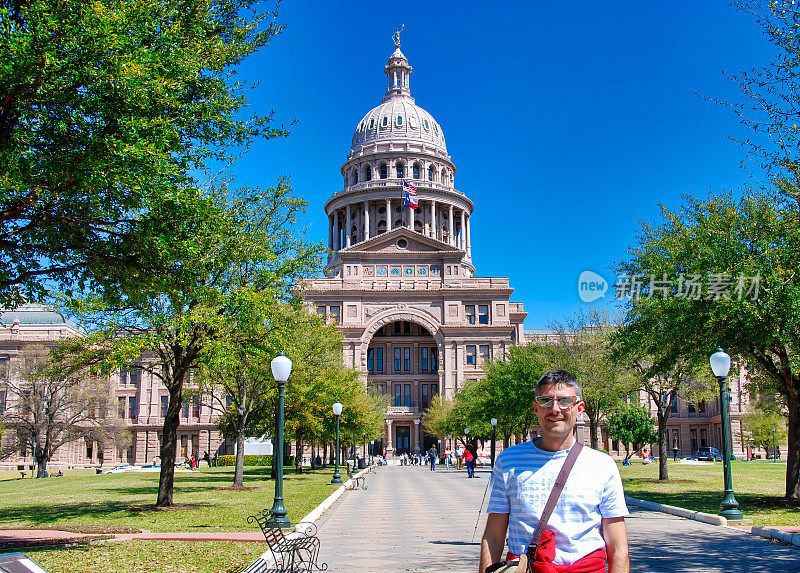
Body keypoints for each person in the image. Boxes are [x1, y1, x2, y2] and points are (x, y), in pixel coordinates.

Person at [479, 369, 629, 573]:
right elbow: (494, 538)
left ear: (579, 408)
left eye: (565, 401)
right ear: (536, 408)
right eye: (546, 401)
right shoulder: (509, 461)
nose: (555, 409)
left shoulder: (602, 465)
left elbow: (618, 546)